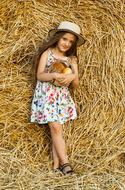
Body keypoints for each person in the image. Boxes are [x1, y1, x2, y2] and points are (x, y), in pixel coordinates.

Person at [30, 21, 86, 175]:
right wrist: (54, 75)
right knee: (55, 127)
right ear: (58, 38)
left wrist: (74, 68)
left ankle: (56, 166)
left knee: (57, 130)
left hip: (60, 98)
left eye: (71, 42)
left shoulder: (70, 59)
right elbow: (40, 75)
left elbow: (76, 84)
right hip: (47, 95)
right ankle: (66, 164)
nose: (67, 43)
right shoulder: (47, 53)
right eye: (64, 39)